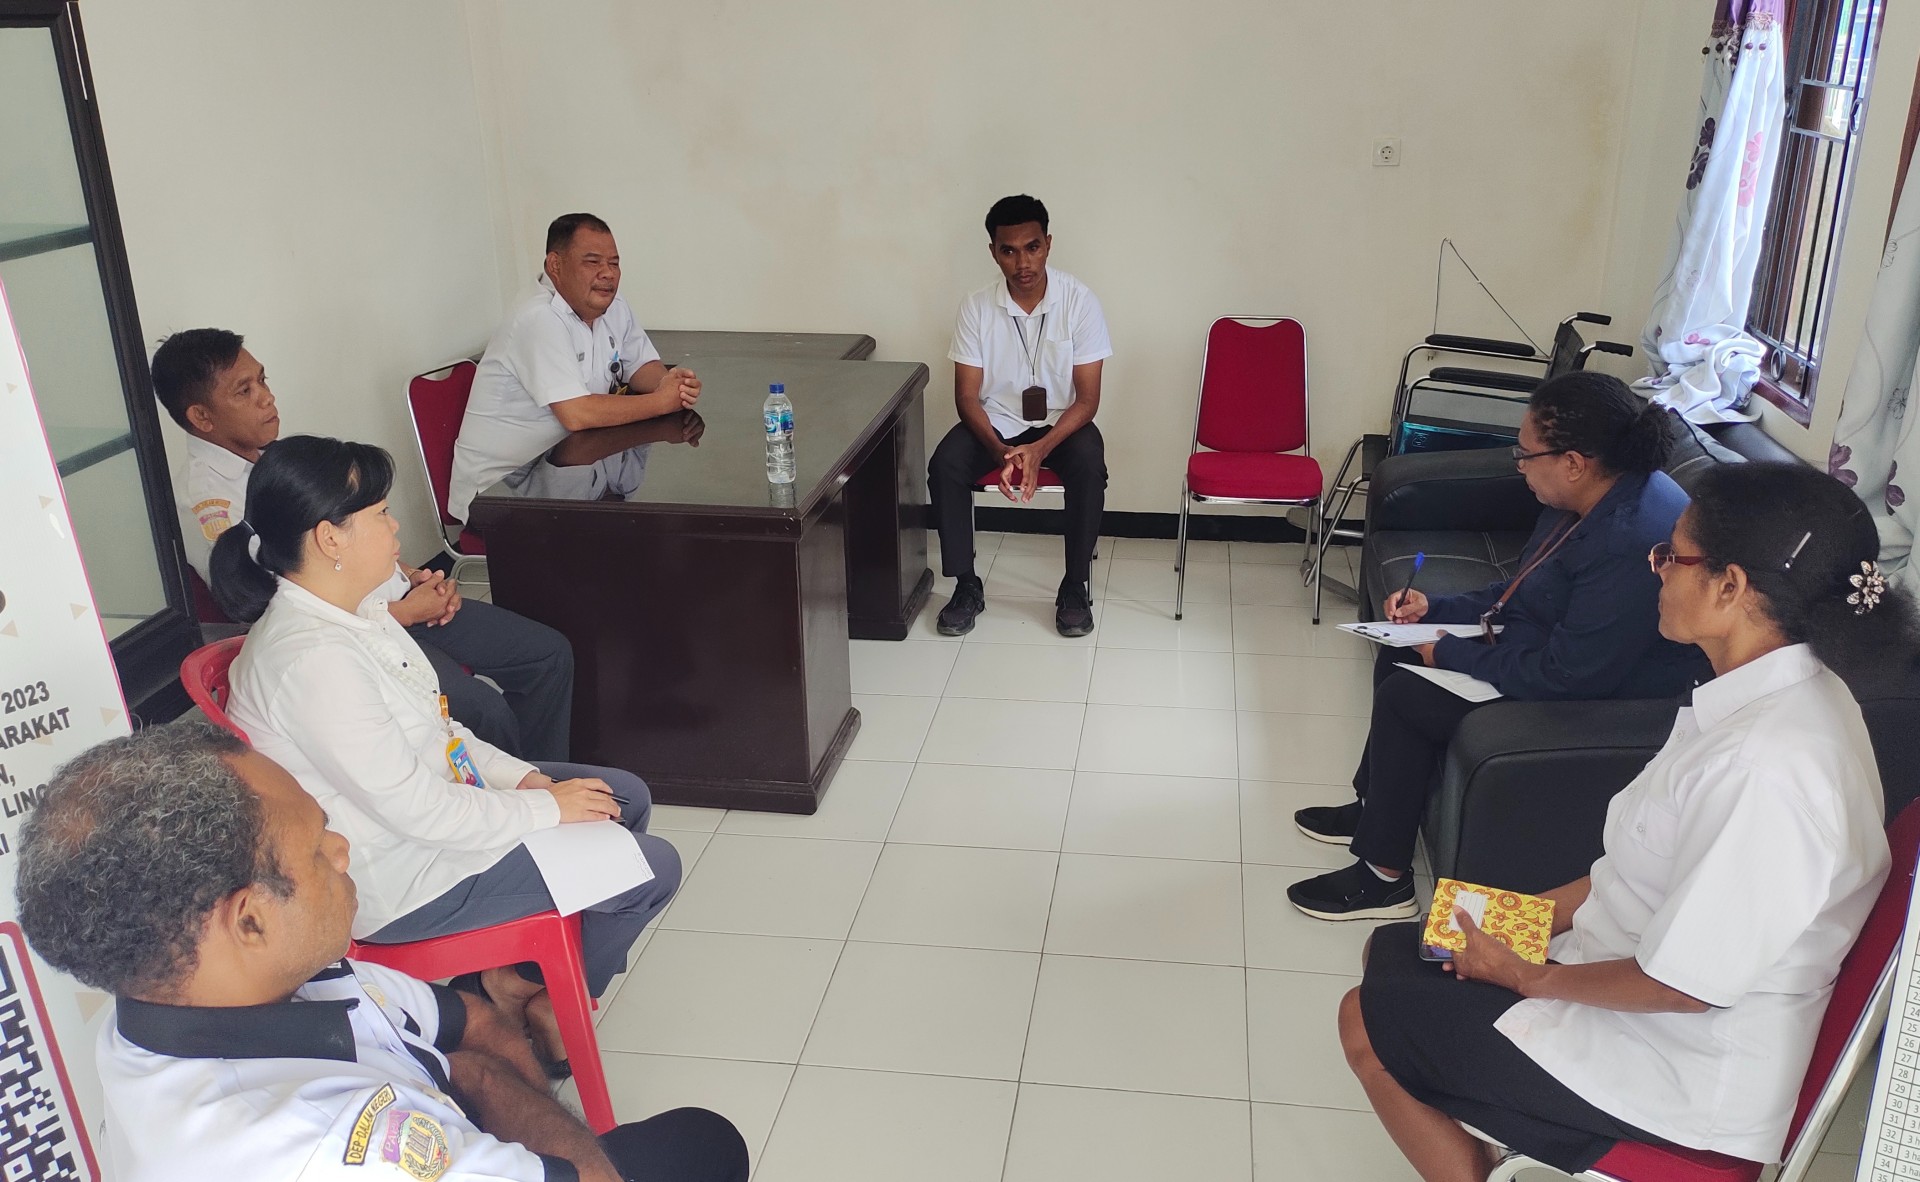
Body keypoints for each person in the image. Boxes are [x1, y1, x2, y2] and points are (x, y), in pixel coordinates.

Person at [1339, 460, 1911, 1180]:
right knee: (1407, 945)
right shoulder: (1776, 696)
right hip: (1629, 967)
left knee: (1364, 1017)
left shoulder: (1766, 767)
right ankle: (1485, 1132)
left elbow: (1684, 986)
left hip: (1672, 1067)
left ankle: (1483, 1154)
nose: (1657, 569)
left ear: (1730, 587)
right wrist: (1518, 918)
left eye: (1672, 556)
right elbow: (1635, 870)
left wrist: (1525, 976)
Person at [16, 721, 747, 1182]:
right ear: (249, 921)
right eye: (316, 847)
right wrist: (476, 1085)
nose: (341, 849)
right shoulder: (319, 1148)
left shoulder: (218, 988)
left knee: (701, 1141)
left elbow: (470, 1022)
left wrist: (475, 1079)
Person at [210, 435, 680, 1070]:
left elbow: (441, 730)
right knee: (652, 868)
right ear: (329, 539)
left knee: (624, 797)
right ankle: (547, 1000)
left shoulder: (359, 612)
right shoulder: (313, 661)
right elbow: (416, 812)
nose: (395, 525)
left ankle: (513, 981)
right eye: (380, 513)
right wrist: (547, 810)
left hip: (430, 814)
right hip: (398, 873)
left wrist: (528, 780)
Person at [1288, 373, 1712, 921]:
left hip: (1608, 694)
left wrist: (1452, 652)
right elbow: (1525, 590)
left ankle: (1384, 881)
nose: (1518, 465)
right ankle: (1375, 812)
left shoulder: (1629, 539)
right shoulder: (1584, 498)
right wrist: (1435, 610)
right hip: (1564, 649)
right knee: (1399, 648)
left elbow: (1570, 675)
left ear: (1574, 462)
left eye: (1525, 454)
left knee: (1408, 696)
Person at [151, 328, 578, 763]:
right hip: (358, 635)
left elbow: (356, 533)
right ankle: (516, 793)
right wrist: (403, 613)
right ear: (202, 417)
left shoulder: (275, 458)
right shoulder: (207, 502)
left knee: (548, 655)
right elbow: (275, 606)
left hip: (402, 601)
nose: (267, 397)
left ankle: (547, 775)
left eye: (262, 380)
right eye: (245, 391)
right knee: (482, 712)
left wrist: (417, 577)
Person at [929, 194, 1112, 637]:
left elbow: (1087, 400)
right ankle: (967, 585)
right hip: (996, 421)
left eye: (1032, 247)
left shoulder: (1080, 301)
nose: (1022, 262)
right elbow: (966, 397)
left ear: (1048, 244)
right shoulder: (976, 306)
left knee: (1090, 462)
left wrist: (1039, 449)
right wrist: (1000, 450)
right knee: (945, 464)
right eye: (1008, 251)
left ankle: (1074, 586)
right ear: (993, 252)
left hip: (1061, 423)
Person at [448, 213, 701, 524]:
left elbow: (639, 364)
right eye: (592, 262)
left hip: (569, 462)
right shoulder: (538, 318)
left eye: (614, 263)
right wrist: (661, 401)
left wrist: (670, 383)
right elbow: (576, 413)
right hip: (503, 488)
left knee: (639, 521)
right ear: (555, 265)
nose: (608, 273)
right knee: (634, 530)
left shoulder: (612, 306)